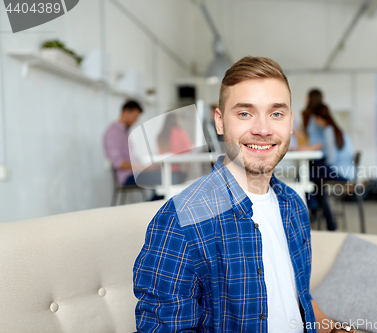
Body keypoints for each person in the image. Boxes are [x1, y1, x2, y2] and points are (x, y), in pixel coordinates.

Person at [133, 56, 356, 333]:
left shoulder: (294, 207)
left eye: (276, 114)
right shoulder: (180, 222)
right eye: (244, 113)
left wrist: (333, 328)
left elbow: (298, 299)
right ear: (220, 122)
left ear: (290, 124)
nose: (262, 129)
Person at [103, 100, 162, 200]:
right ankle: (152, 210)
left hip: (136, 172)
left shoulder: (124, 132)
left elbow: (132, 158)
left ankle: (153, 207)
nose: (135, 121)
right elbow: (118, 163)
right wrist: (144, 168)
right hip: (127, 177)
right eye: (134, 117)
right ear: (125, 112)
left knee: (166, 175)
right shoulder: (113, 133)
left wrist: (147, 167)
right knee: (165, 178)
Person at [157, 112, 193, 185]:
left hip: (163, 171)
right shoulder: (180, 132)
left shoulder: (161, 135)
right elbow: (189, 149)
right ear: (176, 120)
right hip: (178, 170)